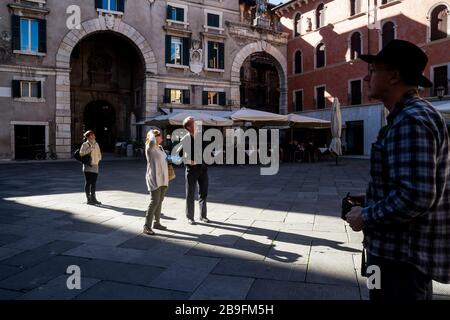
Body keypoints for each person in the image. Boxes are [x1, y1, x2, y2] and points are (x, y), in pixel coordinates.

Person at [346, 40, 450, 300]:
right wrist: (370, 198)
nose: (366, 77)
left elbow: (416, 196)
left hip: (399, 260)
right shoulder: (410, 116)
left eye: (373, 70)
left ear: (393, 76)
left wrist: (366, 215)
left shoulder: (410, 121)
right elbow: (411, 185)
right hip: (391, 255)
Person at [175, 117, 210, 225]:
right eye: (195, 123)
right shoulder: (186, 138)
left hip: (203, 169)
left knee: (203, 193)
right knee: (190, 194)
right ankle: (190, 217)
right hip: (192, 170)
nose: (197, 125)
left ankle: (203, 216)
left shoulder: (200, 137)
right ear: (190, 127)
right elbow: (178, 155)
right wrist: (189, 161)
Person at [143, 129, 169, 236]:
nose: (162, 138)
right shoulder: (150, 146)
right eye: (160, 136)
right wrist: (152, 132)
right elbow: (151, 138)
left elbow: (165, 159)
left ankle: (157, 223)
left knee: (160, 201)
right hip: (154, 178)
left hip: (163, 178)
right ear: (154, 137)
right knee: (154, 201)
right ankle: (146, 226)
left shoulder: (160, 147)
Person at [80, 130, 102, 205]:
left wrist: (98, 159)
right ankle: (88, 199)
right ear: (88, 137)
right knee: (88, 182)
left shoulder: (96, 144)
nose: (93, 136)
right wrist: (90, 149)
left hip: (95, 165)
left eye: (93, 135)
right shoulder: (85, 144)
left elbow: (99, 153)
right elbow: (81, 154)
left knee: (94, 183)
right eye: (91, 135)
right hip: (88, 166)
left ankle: (94, 198)